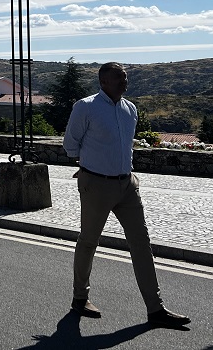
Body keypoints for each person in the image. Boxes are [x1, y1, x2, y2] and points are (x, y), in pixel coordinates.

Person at [64, 62, 191, 328]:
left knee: (141, 244)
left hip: (127, 185)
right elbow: (70, 145)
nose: (125, 82)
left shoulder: (130, 109)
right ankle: (79, 298)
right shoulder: (86, 107)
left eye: (125, 77)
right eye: (119, 78)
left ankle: (155, 309)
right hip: (96, 184)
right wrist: (88, 169)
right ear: (104, 82)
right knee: (89, 241)